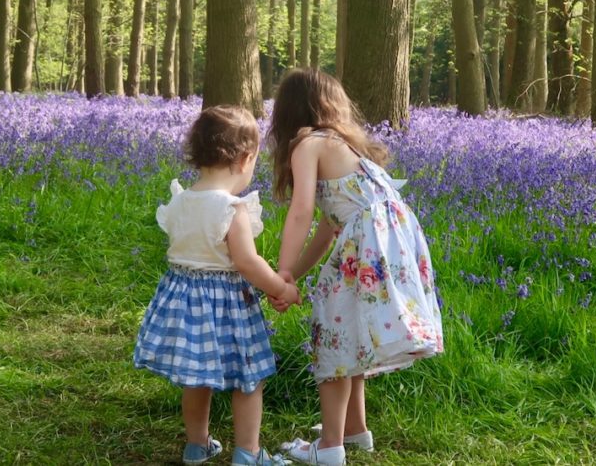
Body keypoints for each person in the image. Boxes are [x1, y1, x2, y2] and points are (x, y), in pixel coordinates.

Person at [267, 69, 444, 465]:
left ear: (287, 113)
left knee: (332, 331)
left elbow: (301, 214)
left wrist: (279, 272)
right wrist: (294, 273)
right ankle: (354, 430)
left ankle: (329, 448)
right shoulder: (343, 146)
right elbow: (328, 228)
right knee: (348, 327)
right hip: (388, 239)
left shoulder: (308, 144)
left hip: (368, 241)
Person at [133, 106, 297, 466]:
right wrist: (279, 288)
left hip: (185, 302)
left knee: (196, 378)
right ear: (244, 158)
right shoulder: (231, 207)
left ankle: (197, 444)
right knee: (248, 378)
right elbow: (246, 261)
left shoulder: (180, 201)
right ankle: (248, 453)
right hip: (227, 305)